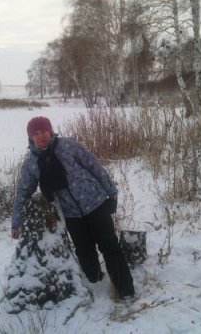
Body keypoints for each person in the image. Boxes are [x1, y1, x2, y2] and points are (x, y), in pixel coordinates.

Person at [11, 116, 135, 301]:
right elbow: (23, 191)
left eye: (44, 131)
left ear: (50, 131)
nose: (41, 136)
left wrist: (111, 189)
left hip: (95, 203)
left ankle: (125, 291)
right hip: (70, 214)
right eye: (36, 134)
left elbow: (93, 165)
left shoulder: (68, 145)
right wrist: (16, 222)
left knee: (109, 245)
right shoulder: (31, 164)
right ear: (31, 138)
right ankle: (95, 279)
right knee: (84, 250)